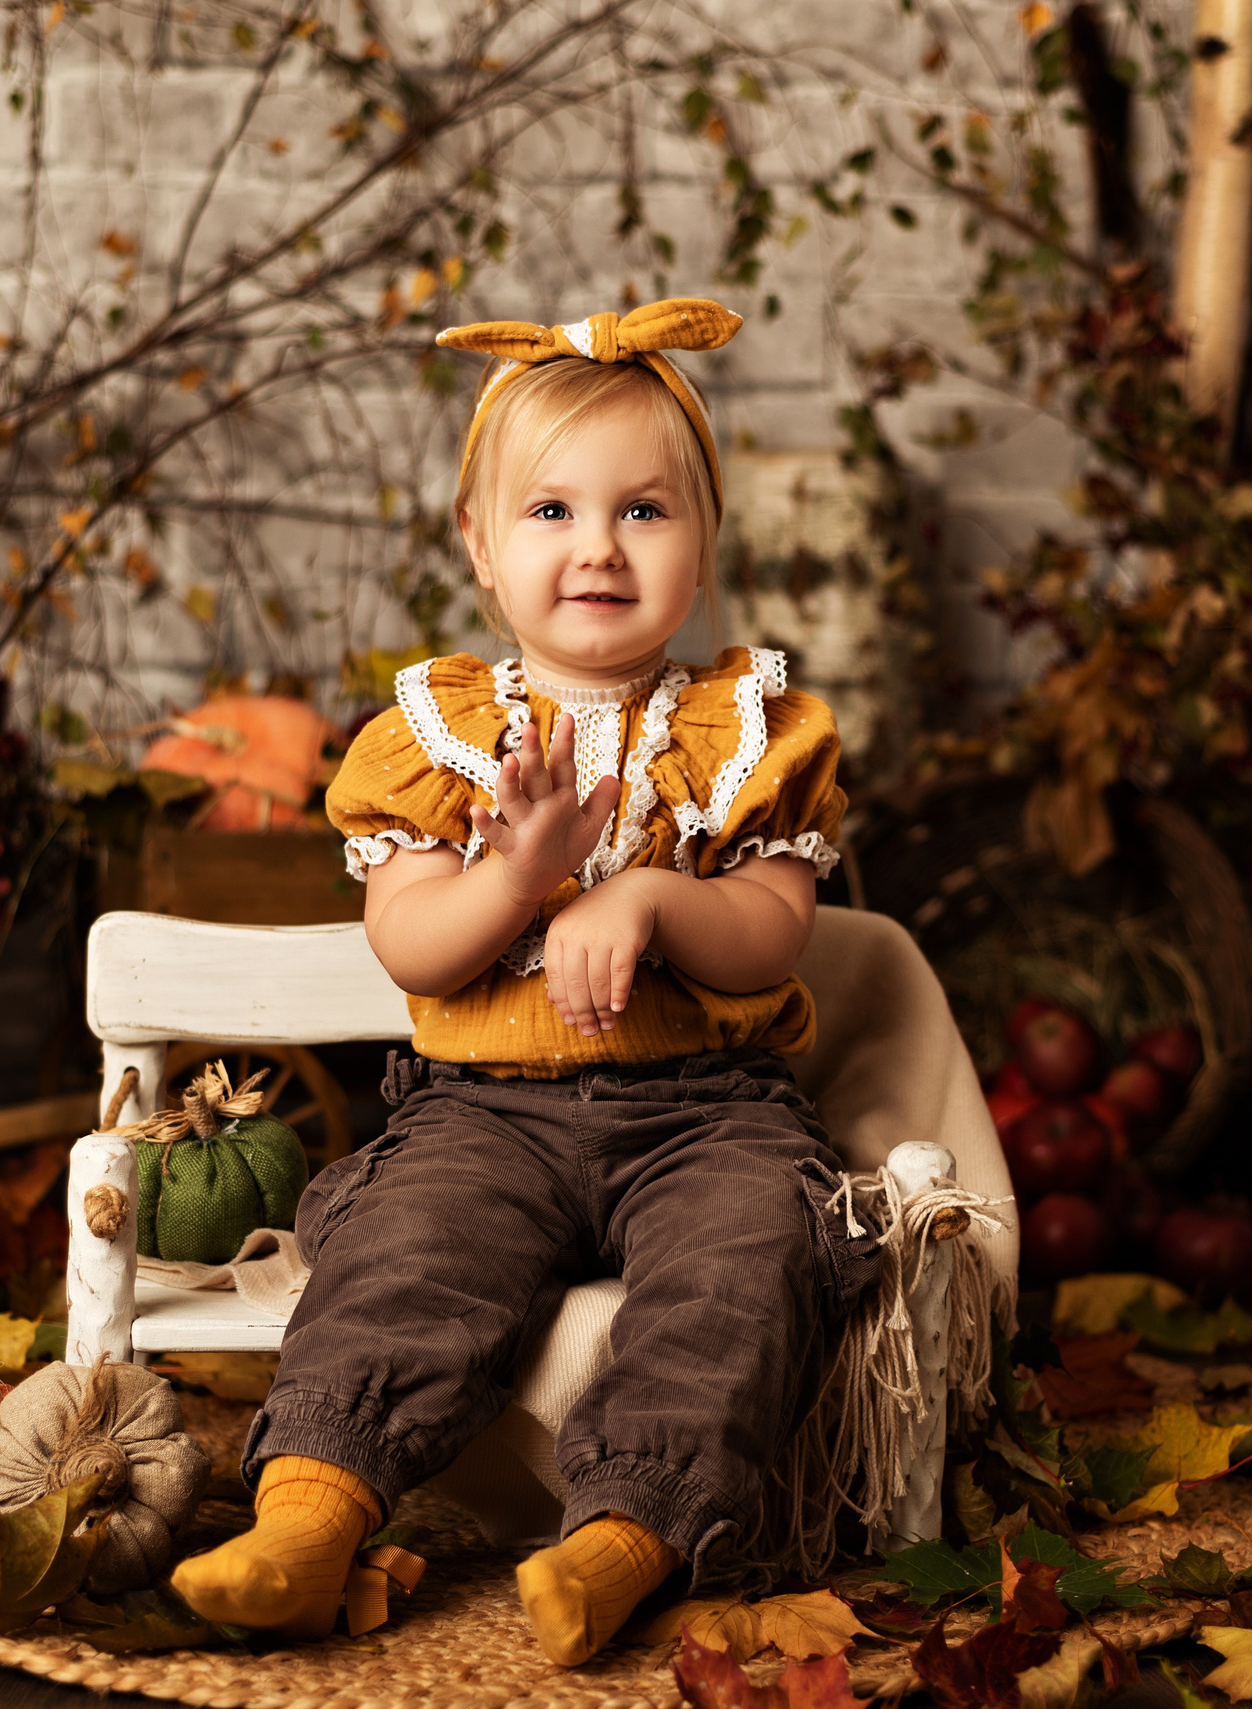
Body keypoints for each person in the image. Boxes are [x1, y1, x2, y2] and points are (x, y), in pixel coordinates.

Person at [169, 298, 870, 1665]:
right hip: (483, 1112)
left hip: (709, 1113)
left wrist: (653, 895)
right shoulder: (438, 737)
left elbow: (773, 936)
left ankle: (623, 1541)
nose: (598, 545)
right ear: (481, 546)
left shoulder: (750, 729)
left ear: (705, 543)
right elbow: (412, 946)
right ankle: (310, 1520)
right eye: (551, 510)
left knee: (745, 1266)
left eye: (644, 511)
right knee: (404, 1256)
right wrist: (515, 874)